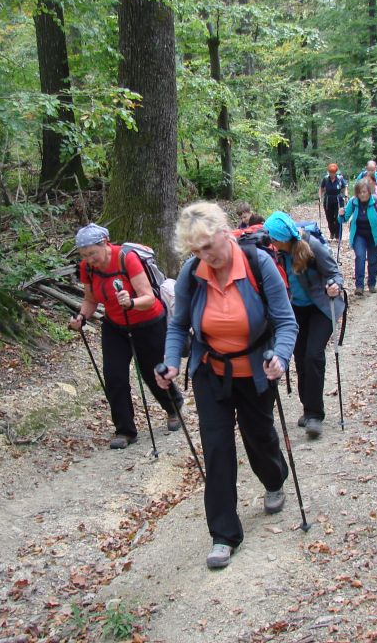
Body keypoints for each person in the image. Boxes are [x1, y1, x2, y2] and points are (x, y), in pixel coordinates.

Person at [156, 202, 298, 570]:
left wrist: (280, 357)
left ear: (224, 232)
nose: (205, 256)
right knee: (217, 449)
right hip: (211, 371)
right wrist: (172, 362)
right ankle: (223, 534)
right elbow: (177, 325)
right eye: (196, 250)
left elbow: (286, 323)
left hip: (254, 370)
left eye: (208, 246)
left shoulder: (258, 264)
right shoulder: (192, 274)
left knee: (259, 436)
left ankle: (274, 478)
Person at [69, 223, 184, 449]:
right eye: (84, 255)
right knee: (114, 376)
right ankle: (125, 430)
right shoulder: (88, 268)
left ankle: (173, 407)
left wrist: (131, 302)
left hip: (148, 321)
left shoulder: (126, 258)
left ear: (105, 244)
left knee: (153, 373)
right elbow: (91, 300)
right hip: (115, 325)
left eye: (92, 253)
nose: (89, 259)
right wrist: (81, 317)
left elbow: (148, 297)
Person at [264, 211, 345, 439]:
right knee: (299, 357)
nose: (271, 243)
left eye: (273, 239)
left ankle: (314, 415)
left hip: (322, 307)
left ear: (283, 239)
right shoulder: (276, 253)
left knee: (313, 356)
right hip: (296, 309)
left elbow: (334, 273)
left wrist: (334, 285)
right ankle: (308, 407)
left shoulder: (313, 247)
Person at [338, 177, 377, 295]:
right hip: (359, 235)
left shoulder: (376, 201)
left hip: (374, 235)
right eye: (359, 192)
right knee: (360, 257)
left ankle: (372, 284)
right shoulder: (354, 202)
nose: (362, 194)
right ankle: (359, 286)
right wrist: (341, 214)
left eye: (364, 192)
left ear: (369, 191)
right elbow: (344, 219)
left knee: (373, 259)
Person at [318, 163, 347, 241]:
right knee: (329, 218)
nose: (332, 174)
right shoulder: (325, 179)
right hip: (328, 200)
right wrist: (320, 197)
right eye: (330, 172)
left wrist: (345, 196)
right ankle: (332, 233)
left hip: (338, 200)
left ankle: (338, 236)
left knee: (338, 217)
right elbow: (321, 188)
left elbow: (344, 188)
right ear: (328, 172)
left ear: (336, 172)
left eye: (333, 172)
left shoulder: (340, 179)